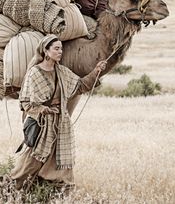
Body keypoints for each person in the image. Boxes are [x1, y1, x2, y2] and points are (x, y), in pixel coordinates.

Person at [10, 34, 107, 190]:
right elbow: (26, 102)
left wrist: (96, 71)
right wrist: (43, 109)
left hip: (61, 124)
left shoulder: (62, 72)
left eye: (61, 48)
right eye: (56, 49)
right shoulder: (34, 73)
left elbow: (80, 86)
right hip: (41, 125)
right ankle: (12, 190)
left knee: (62, 161)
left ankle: (62, 193)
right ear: (46, 51)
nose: (60, 51)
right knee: (30, 164)